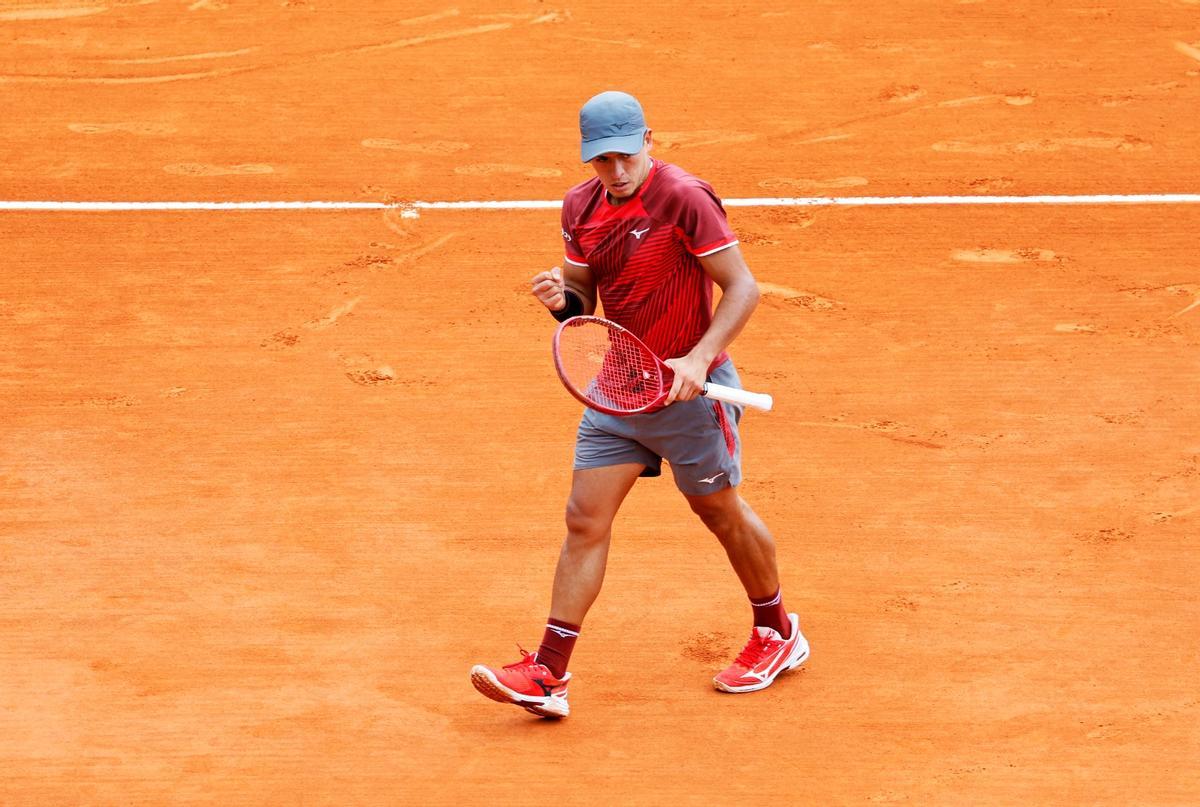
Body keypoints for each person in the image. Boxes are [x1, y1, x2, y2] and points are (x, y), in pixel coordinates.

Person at [470, 91, 809, 719]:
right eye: (602, 161)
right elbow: (584, 305)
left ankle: (777, 633)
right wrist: (558, 300)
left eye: (626, 155)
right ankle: (549, 672)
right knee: (584, 520)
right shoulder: (579, 206)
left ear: (650, 140)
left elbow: (743, 287)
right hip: (620, 387)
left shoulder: (684, 197)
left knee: (720, 514)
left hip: (688, 394)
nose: (617, 171)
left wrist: (699, 357)